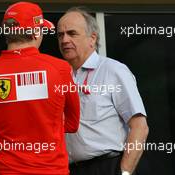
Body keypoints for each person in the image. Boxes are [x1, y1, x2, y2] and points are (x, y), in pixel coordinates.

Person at [0, 2, 80, 175]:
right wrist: (46, 123)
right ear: (36, 32)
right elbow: (73, 124)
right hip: (51, 171)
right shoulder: (59, 68)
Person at [57, 7, 149, 175]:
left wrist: (125, 172)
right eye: (60, 34)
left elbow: (140, 127)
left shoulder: (113, 71)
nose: (64, 40)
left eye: (72, 33)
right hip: (70, 169)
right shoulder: (58, 76)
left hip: (108, 166)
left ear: (92, 38)